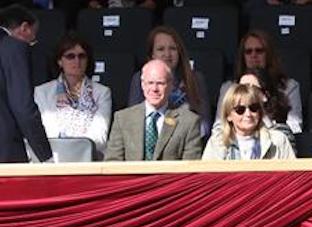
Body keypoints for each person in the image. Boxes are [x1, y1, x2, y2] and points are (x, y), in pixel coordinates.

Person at [32, 32, 111, 160]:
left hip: (89, 160)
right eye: (70, 56)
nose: (77, 61)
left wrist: (77, 149)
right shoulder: (42, 92)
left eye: (82, 56)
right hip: (53, 160)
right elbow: (45, 133)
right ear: (59, 61)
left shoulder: (102, 92)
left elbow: (100, 135)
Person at [105, 58, 204, 161]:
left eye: (160, 83)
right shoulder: (122, 119)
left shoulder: (189, 122)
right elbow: (112, 163)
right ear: (142, 84)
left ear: (170, 85)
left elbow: (190, 168)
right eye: (150, 83)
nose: (154, 89)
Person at [127, 26, 211, 135]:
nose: (167, 54)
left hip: (186, 143)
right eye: (161, 49)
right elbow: (132, 122)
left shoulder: (195, 79)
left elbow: (205, 125)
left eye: (173, 48)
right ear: (151, 55)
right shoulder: (139, 78)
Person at [218, 30, 303, 134]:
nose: (254, 55)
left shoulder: (289, 86)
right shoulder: (228, 88)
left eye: (259, 51)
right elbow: (219, 127)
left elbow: (295, 127)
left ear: (268, 55)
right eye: (248, 51)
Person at [0, 4, 51, 163]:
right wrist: (45, 156)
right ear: (24, 28)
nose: (31, 44)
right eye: (33, 39)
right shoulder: (12, 46)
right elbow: (22, 107)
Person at [201, 83, 296, 160]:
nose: (248, 114)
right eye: (240, 110)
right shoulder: (217, 143)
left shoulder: (278, 140)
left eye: (253, 108)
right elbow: (206, 179)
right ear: (229, 115)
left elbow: (292, 177)